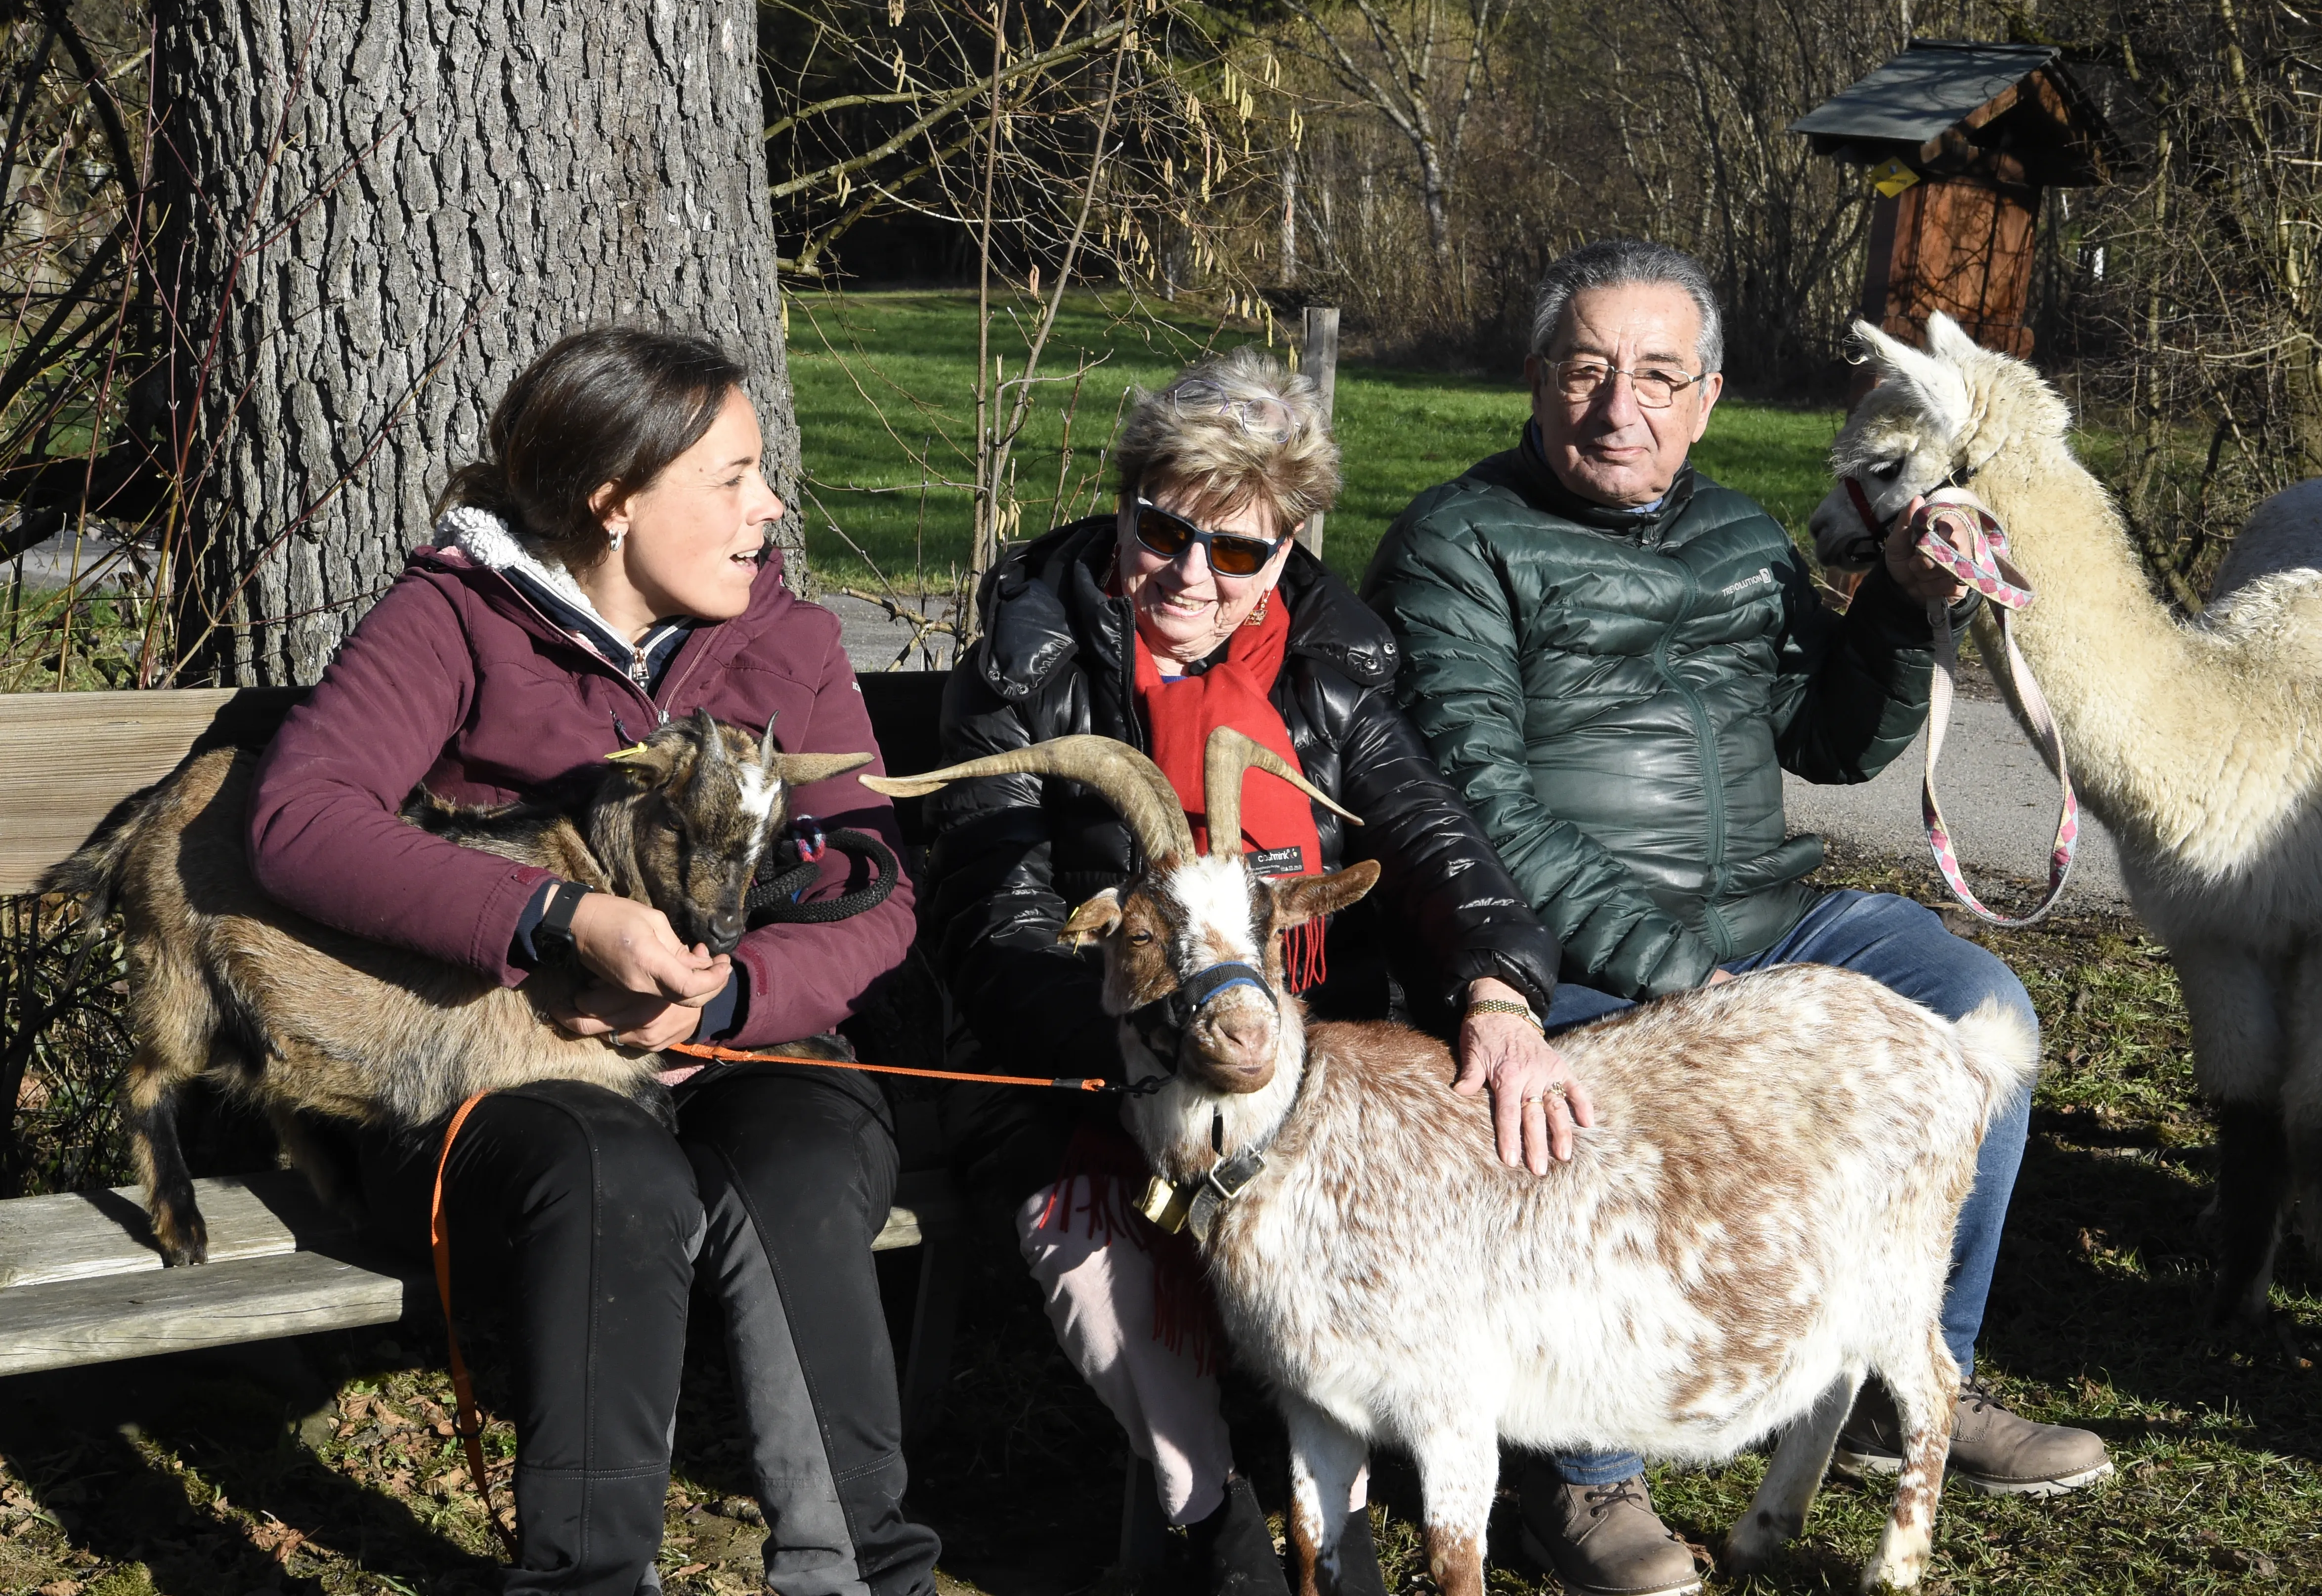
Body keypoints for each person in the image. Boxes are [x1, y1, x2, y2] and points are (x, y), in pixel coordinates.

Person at [1361, 241, 2111, 1596]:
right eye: (1587, 372)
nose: (1618, 407)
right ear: (1537, 382)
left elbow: (1827, 741)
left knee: (1976, 1017)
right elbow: (1478, 806)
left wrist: (1898, 602)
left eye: (1658, 376)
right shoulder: (1454, 546)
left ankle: (1915, 1376)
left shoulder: (1737, 538)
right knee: (1577, 1108)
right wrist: (1678, 974)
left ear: (1706, 397)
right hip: (1555, 947)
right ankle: (1582, 1483)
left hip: (1765, 917)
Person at [247, 330, 940, 1596]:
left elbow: (873, 891)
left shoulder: (782, 637)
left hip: (736, 1040)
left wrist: (733, 994)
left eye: (761, 473)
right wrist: (557, 917)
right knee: (611, 1173)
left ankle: (858, 1577)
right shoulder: (456, 615)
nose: (767, 505)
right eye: (730, 477)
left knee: (805, 1151)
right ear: (616, 503)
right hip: (500, 1064)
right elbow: (301, 821)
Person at [921, 349, 1564, 1595]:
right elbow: (986, 904)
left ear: (1283, 558)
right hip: (1075, 1057)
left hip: (1300, 1066)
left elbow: (1431, 835)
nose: (1193, 577)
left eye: (1239, 554)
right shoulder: (1030, 655)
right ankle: (1213, 1521)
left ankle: (1353, 1512)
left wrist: (1494, 978)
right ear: (1126, 509)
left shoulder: (1330, 660)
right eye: (1166, 533)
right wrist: (1142, 1036)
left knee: (1373, 1201)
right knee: (1094, 1232)